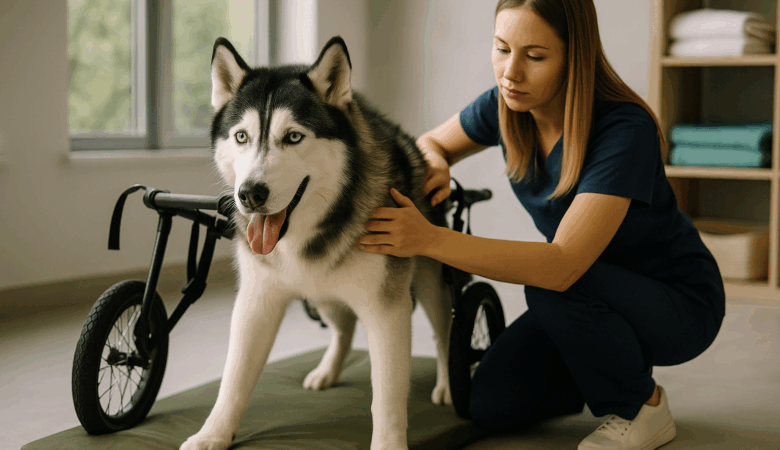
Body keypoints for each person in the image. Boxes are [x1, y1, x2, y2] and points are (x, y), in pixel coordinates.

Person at [357, 0, 726, 449]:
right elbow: (431, 141)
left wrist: (430, 239)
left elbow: (562, 265)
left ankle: (641, 407)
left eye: (534, 56)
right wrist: (437, 161)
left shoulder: (624, 131)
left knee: (550, 284)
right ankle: (598, 366)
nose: (510, 72)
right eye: (501, 48)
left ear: (576, 57)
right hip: (587, 298)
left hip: (676, 302)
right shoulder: (506, 105)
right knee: (488, 404)